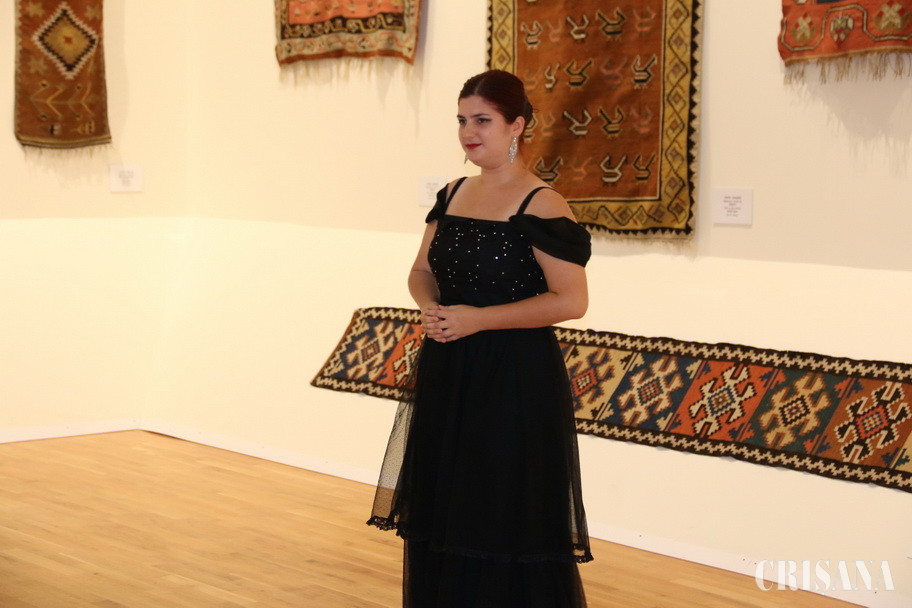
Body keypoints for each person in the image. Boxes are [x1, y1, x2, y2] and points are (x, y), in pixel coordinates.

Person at [368, 69, 593, 608]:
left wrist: (478, 320)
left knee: (499, 510)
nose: (469, 132)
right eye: (462, 120)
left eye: (483, 120)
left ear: (516, 125)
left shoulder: (542, 203)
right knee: (447, 505)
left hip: (513, 378)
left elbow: (571, 301)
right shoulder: (452, 193)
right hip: (449, 368)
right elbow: (420, 272)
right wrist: (432, 309)